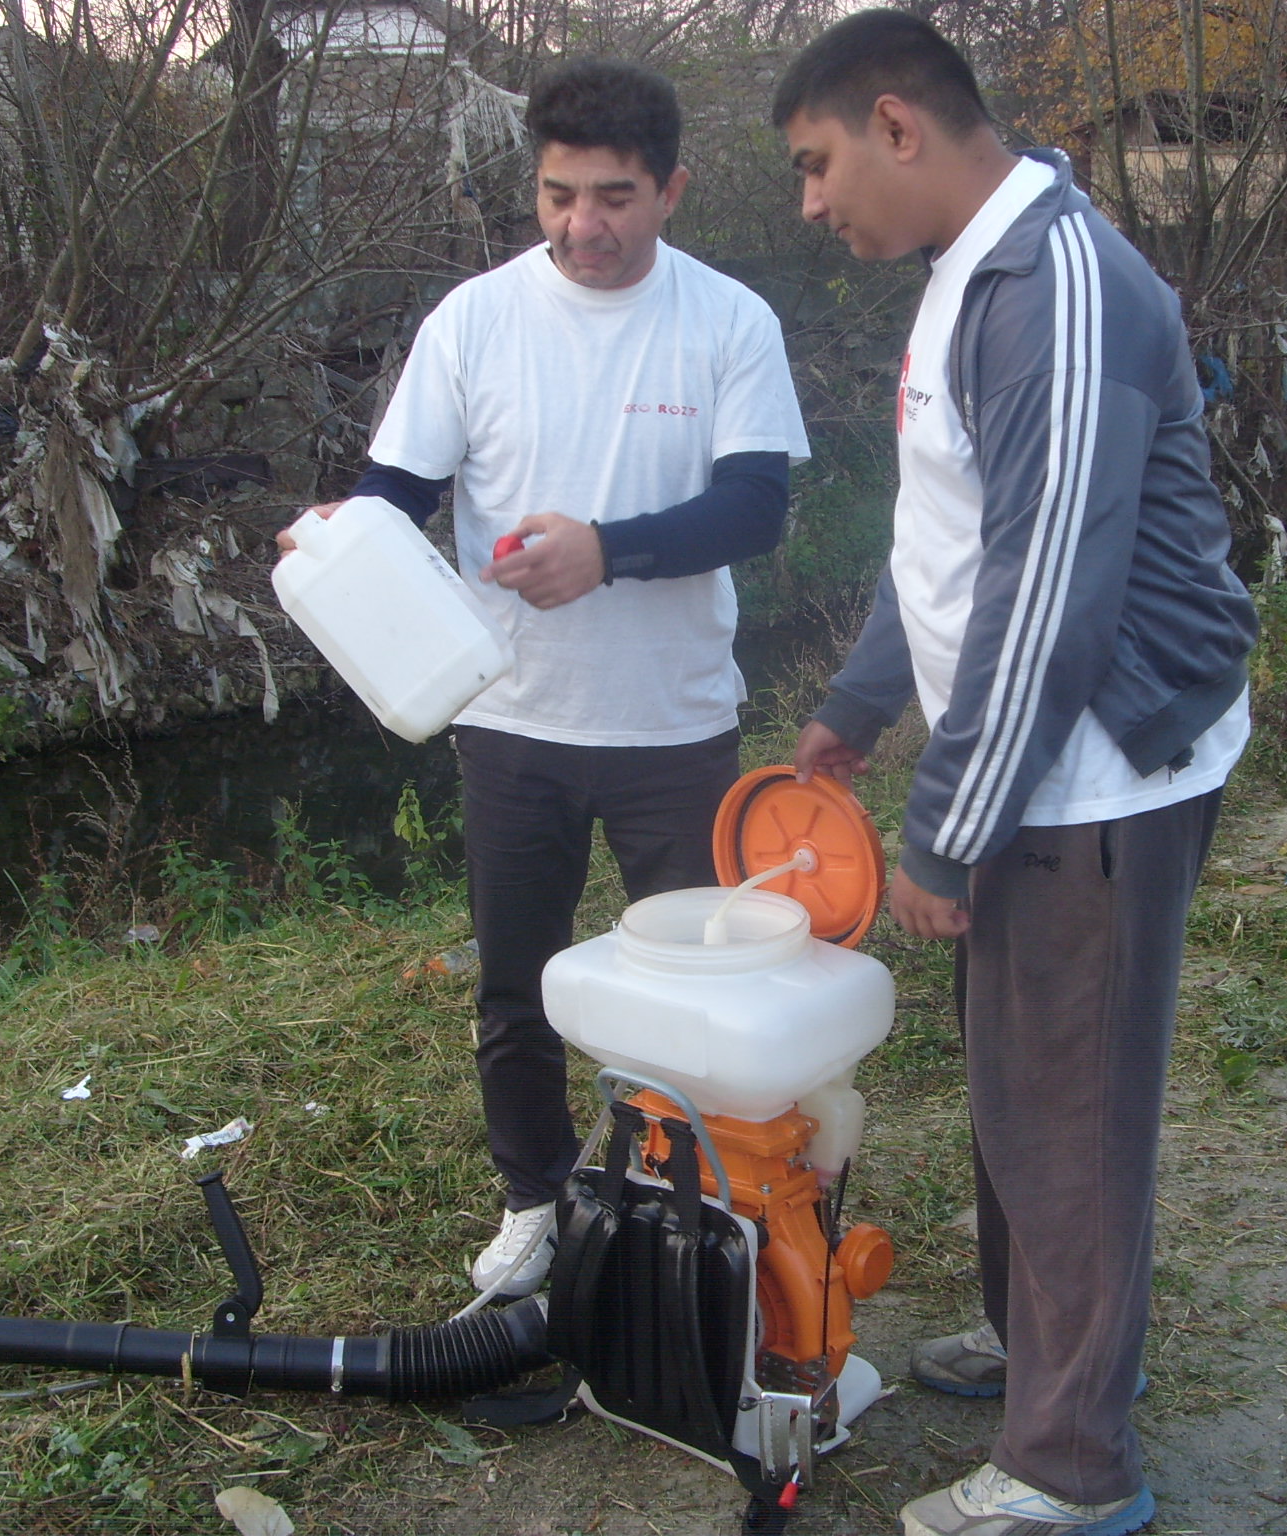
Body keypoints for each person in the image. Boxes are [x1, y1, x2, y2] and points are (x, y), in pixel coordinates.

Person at [773, 14, 1257, 1536]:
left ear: (898, 125)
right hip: (1048, 763)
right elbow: (950, 536)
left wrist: (942, 830)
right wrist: (862, 702)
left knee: (1071, 1111)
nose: (809, 201)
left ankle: (1072, 1469)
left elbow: (1052, 595)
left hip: (1098, 776)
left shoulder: (1056, 287)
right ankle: (1039, 1340)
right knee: (1017, 1083)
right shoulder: (971, 269)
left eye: (815, 162)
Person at [280, 59, 809, 1297]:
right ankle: (531, 1201)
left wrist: (606, 552)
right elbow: (400, 493)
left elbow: (756, 506)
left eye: (615, 196)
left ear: (671, 189)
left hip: (675, 725)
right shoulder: (473, 320)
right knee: (514, 987)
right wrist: (340, 533)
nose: (583, 225)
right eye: (559, 194)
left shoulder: (729, 320)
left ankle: (694, 1206)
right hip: (508, 717)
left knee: (696, 993)